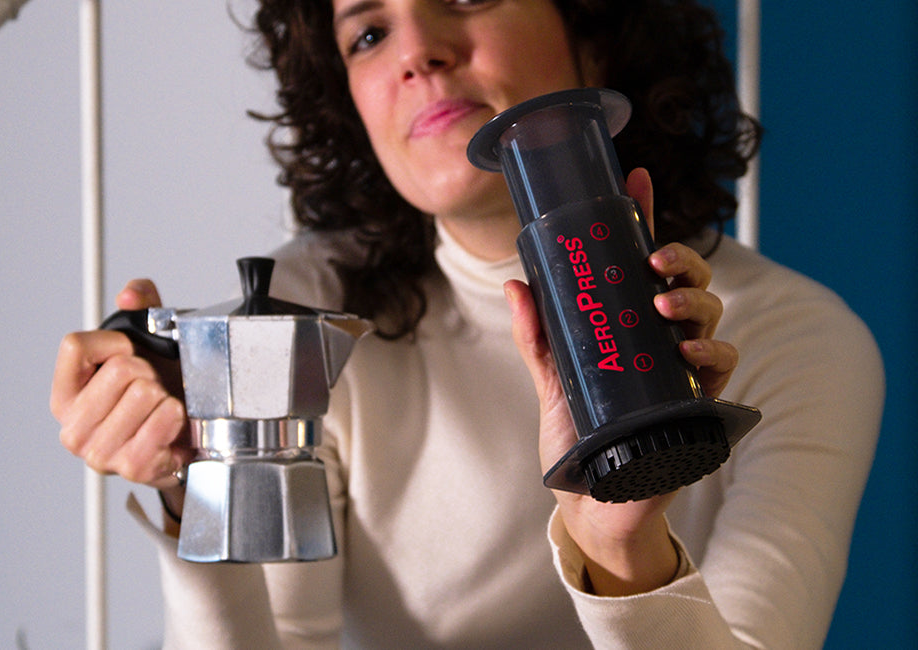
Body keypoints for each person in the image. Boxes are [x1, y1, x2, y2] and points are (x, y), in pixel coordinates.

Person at [52, 0, 884, 647]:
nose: (418, 50)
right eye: (369, 33)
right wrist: (198, 486)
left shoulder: (796, 337)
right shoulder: (309, 318)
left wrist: (620, 542)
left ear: (590, 27)